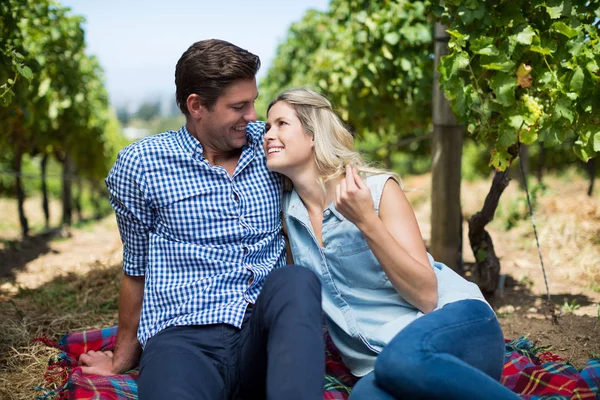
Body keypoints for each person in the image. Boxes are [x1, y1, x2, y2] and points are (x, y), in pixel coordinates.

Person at [78, 41, 324, 400]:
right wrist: (122, 357)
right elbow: (136, 268)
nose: (253, 116)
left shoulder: (268, 146)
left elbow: (328, 157)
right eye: (239, 107)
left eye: (254, 102)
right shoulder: (141, 164)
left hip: (261, 335)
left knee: (297, 281)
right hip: (182, 340)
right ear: (196, 106)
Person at [264, 88, 520, 400]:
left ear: (313, 134)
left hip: (455, 326)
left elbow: (426, 295)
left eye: (280, 124)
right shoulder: (288, 219)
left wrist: (366, 222)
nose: (268, 135)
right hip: (379, 366)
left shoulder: (376, 191)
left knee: (401, 359)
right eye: (266, 127)